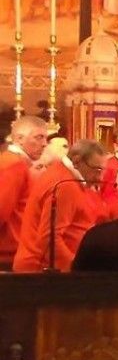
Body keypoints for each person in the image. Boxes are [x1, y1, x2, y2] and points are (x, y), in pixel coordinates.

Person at [13, 140, 107, 272]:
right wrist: (75, 267)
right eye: (97, 170)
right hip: (42, 272)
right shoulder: (65, 184)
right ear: (77, 161)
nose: (100, 178)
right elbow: (49, 237)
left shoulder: (58, 171)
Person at [0, 116, 48, 270]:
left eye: (46, 138)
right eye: (39, 137)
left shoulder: (15, 162)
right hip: (9, 251)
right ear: (19, 139)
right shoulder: (13, 165)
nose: (44, 143)